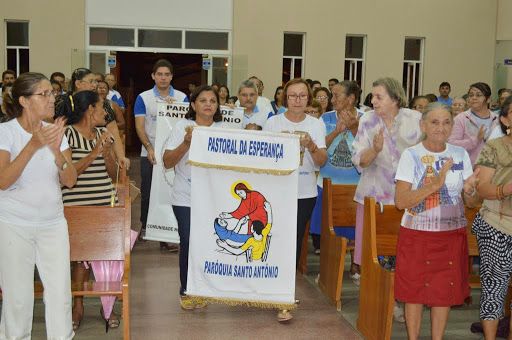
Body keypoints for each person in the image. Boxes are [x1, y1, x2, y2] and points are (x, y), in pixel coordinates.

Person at [0, 72, 77, 339]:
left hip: (53, 224)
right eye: (43, 94)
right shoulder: (5, 132)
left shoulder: (56, 133)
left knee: (60, 295)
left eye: (51, 93)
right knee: (17, 298)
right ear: (24, 100)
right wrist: (33, 145)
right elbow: (3, 181)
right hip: (14, 224)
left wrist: (56, 151)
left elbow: (70, 180)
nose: (51, 98)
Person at [394, 102, 479, 340]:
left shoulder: (460, 154)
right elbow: (401, 201)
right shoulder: (411, 155)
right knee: (415, 290)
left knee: (444, 290)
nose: (441, 128)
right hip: (417, 235)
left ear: (452, 125)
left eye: (446, 122)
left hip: (451, 234)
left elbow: (471, 203)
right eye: (434, 122)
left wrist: (471, 191)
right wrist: (434, 185)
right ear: (423, 125)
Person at [351, 77, 422, 322]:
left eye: (379, 96)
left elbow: (425, 155)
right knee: (375, 256)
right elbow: (359, 160)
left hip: (407, 199)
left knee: (403, 256)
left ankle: (400, 303)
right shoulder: (367, 121)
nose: (373, 101)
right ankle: (377, 303)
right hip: (373, 197)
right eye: (373, 96)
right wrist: (375, 150)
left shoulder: (414, 120)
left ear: (395, 98)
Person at [264, 78, 327, 322]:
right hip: (277, 192)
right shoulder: (273, 123)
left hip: (304, 192)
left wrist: (310, 144)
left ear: (308, 99)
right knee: (275, 242)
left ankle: (285, 298)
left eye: (302, 96)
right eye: (293, 96)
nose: (297, 100)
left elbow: (322, 161)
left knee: (293, 245)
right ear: (285, 98)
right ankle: (271, 290)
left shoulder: (316, 124)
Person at [56, 90, 120, 330]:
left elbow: (112, 172)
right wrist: (94, 152)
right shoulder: (67, 135)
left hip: (103, 201)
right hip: (75, 204)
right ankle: (78, 304)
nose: (106, 113)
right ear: (90, 110)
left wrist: (107, 154)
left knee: (106, 257)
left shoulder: (104, 133)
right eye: (102, 107)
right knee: (79, 259)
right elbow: (68, 175)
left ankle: (108, 306)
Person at [162, 85, 223, 309]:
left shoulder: (223, 129)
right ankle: (186, 290)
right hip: (185, 196)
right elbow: (167, 162)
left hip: (214, 199)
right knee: (188, 241)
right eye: (203, 100)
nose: (208, 104)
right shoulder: (183, 127)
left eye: (212, 101)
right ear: (193, 105)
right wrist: (187, 142)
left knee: (208, 244)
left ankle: (203, 288)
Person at [134, 59, 188, 251]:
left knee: (172, 191)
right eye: (159, 74)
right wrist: (148, 147)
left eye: (167, 74)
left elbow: (188, 124)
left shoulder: (182, 98)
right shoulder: (144, 97)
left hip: (175, 154)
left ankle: (169, 233)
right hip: (149, 152)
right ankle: (146, 226)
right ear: (153, 76)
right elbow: (139, 126)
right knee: (148, 192)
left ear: (172, 77)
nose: (163, 78)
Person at [310, 80, 362, 277]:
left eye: (337, 96)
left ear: (351, 98)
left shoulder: (365, 119)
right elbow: (318, 146)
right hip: (327, 183)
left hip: (354, 186)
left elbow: (370, 150)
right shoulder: (325, 118)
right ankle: (329, 271)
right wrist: (337, 132)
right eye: (332, 95)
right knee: (327, 232)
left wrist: (355, 128)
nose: (332, 100)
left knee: (355, 231)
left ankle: (354, 265)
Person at [472, 95, 512, 339]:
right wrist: (506, 190)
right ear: (506, 120)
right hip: (497, 225)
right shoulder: (494, 147)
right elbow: (482, 187)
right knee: (494, 288)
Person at [448, 82, 499, 165]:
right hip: (469, 168)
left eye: (478, 95)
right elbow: (451, 144)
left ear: (489, 99)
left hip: (494, 169)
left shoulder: (497, 119)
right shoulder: (461, 118)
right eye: (471, 95)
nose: (474, 98)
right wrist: (475, 140)